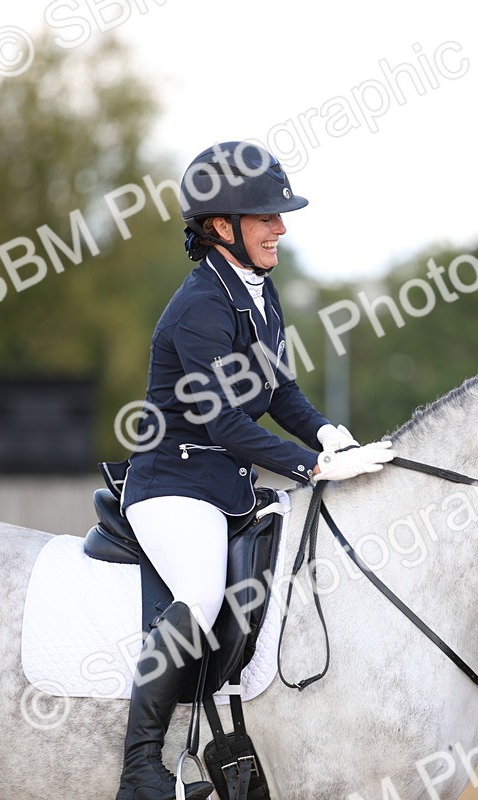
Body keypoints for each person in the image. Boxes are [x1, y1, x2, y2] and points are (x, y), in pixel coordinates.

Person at [113, 141, 395, 800]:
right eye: (266, 216)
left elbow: (279, 397)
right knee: (204, 595)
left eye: (279, 215)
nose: (282, 227)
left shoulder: (258, 295)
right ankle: (141, 768)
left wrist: (333, 435)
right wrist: (318, 466)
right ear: (220, 227)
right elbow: (227, 427)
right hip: (173, 485)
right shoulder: (200, 308)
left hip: (226, 487)